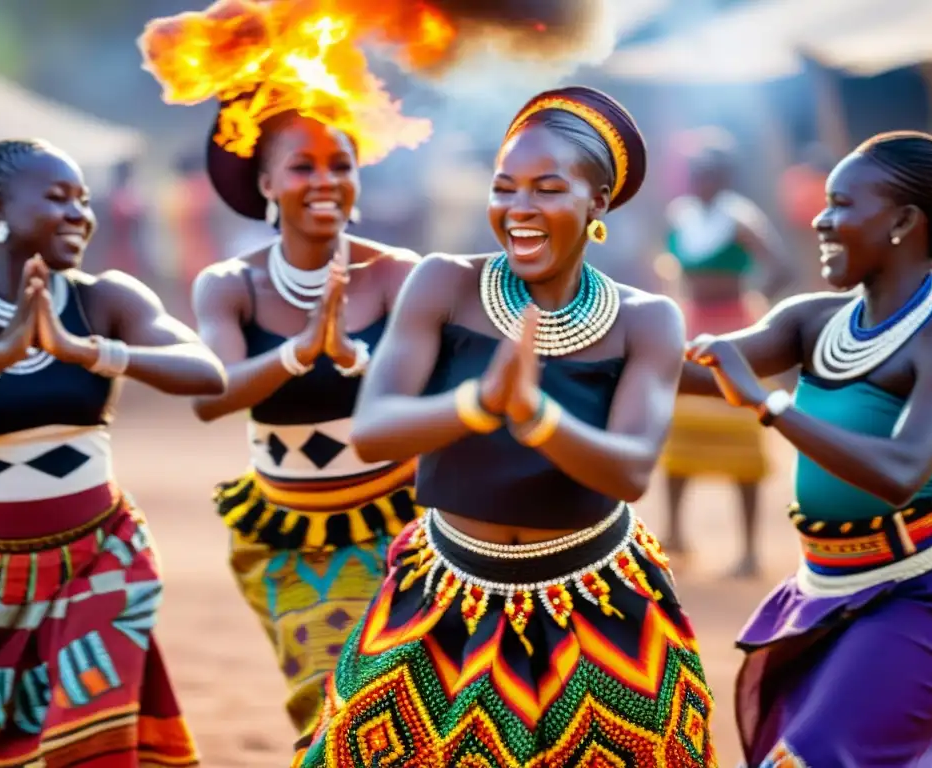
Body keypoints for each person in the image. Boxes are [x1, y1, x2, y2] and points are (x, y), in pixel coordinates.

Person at [294, 85, 718, 768]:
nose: (519, 209)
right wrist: (476, 406)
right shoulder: (444, 284)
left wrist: (535, 415)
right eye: (505, 188)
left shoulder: (648, 319)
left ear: (598, 203)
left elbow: (632, 469)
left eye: (547, 189)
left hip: (600, 609)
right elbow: (374, 427)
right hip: (440, 604)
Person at [680, 131, 932, 766]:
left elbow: (900, 472)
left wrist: (770, 406)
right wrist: (585, 325)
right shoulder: (811, 320)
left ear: (903, 221)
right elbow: (688, 370)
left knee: (808, 756)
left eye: (842, 204)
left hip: (930, 590)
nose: (820, 218)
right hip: (827, 587)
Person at [0, 139, 226, 765]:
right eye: (58, 198)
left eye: (84, 198)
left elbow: (205, 371)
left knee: (89, 726)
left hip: (100, 556)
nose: (82, 213)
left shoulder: (104, 298)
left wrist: (90, 351)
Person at [190, 102, 421, 743]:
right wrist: (299, 353)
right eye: (302, 166)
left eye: (340, 164)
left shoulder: (401, 274)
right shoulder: (230, 284)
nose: (325, 180)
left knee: (413, 708)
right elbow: (213, 397)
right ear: (266, 185)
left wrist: (355, 356)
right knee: (332, 709)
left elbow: (429, 392)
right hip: (289, 538)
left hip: (402, 528)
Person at [659, 127, 795, 577]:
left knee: (740, 432)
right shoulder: (681, 216)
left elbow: (780, 266)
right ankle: (676, 532)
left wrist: (752, 304)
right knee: (681, 430)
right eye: (696, 173)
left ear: (725, 177)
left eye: (709, 173)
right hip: (692, 323)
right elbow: (672, 269)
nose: (701, 181)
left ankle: (750, 549)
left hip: (735, 324)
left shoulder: (740, 218)